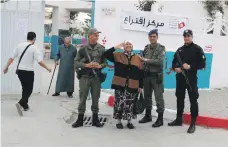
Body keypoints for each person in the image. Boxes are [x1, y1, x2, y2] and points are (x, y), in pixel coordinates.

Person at [3, 32, 52, 116]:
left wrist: (6, 67)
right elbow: (40, 62)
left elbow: (11, 58)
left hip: (20, 72)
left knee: (24, 88)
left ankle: (25, 106)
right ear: (34, 39)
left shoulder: (19, 45)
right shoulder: (34, 48)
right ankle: (20, 103)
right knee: (29, 91)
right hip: (28, 72)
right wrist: (48, 68)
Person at [168, 29, 206, 134]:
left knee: (193, 100)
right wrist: (176, 68)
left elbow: (202, 65)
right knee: (179, 98)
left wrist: (190, 66)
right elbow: (173, 63)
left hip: (191, 79)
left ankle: (193, 123)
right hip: (180, 78)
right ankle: (178, 119)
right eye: (185, 36)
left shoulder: (197, 49)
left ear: (192, 37)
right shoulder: (179, 50)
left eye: (188, 36)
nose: (186, 38)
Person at [103, 41, 144, 129]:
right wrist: (116, 47)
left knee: (130, 103)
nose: (128, 46)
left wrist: (141, 85)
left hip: (133, 84)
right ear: (124, 47)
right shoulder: (117, 55)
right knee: (119, 102)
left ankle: (129, 121)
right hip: (119, 83)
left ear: (132, 47)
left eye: (130, 44)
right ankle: (119, 121)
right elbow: (106, 54)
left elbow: (141, 72)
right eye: (127, 44)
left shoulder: (138, 57)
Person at [72, 28, 107, 128]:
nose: (97, 37)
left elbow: (105, 62)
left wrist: (100, 66)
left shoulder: (101, 48)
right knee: (82, 98)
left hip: (96, 78)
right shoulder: (83, 48)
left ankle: (95, 119)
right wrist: (86, 65)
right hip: (84, 77)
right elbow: (75, 62)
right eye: (95, 35)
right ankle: (80, 120)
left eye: (97, 35)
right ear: (90, 35)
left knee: (96, 98)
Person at [139, 29, 166, 128]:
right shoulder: (146, 48)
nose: (152, 38)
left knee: (159, 98)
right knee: (147, 97)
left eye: (154, 36)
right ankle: (148, 115)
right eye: (150, 36)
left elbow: (159, 61)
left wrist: (145, 60)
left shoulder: (161, 48)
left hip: (156, 77)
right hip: (147, 76)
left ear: (157, 37)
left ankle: (160, 119)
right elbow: (142, 62)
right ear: (148, 37)